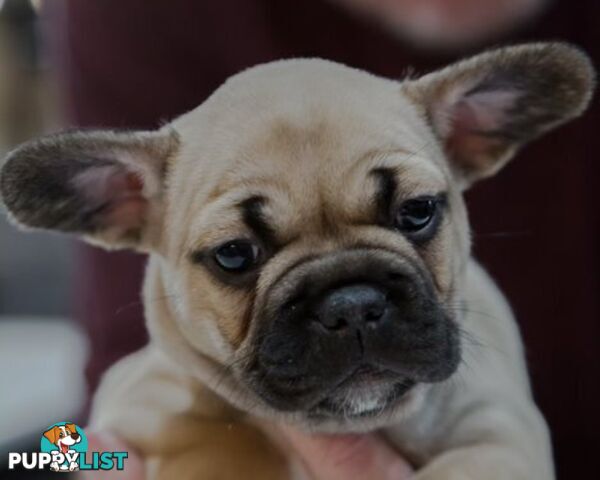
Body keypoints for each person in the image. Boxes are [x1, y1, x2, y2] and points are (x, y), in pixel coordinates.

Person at [47, 0, 599, 478]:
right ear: (129, 206)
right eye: (238, 255)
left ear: (465, 141)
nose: (353, 312)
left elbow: (510, 453)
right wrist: (87, 461)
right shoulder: (134, 23)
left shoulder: (476, 381)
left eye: (413, 215)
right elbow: (61, 451)